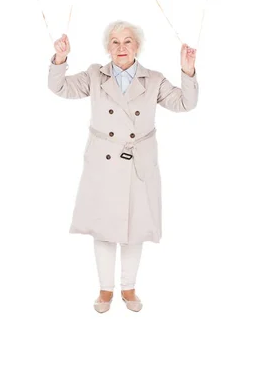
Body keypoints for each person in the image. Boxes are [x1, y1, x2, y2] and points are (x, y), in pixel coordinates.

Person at [48, 20, 199, 313]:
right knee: (104, 229)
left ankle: (129, 288)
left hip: (138, 163)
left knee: (135, 227)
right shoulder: (94, 75)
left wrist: (188, 70)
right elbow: (59, 87)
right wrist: (61, 58)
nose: (121, 48)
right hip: (102, 163)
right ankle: (105, 290)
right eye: (115, 42)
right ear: (107, 47)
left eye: (127, 41)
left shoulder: (153, 79)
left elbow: (185, 104)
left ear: (137, 46)